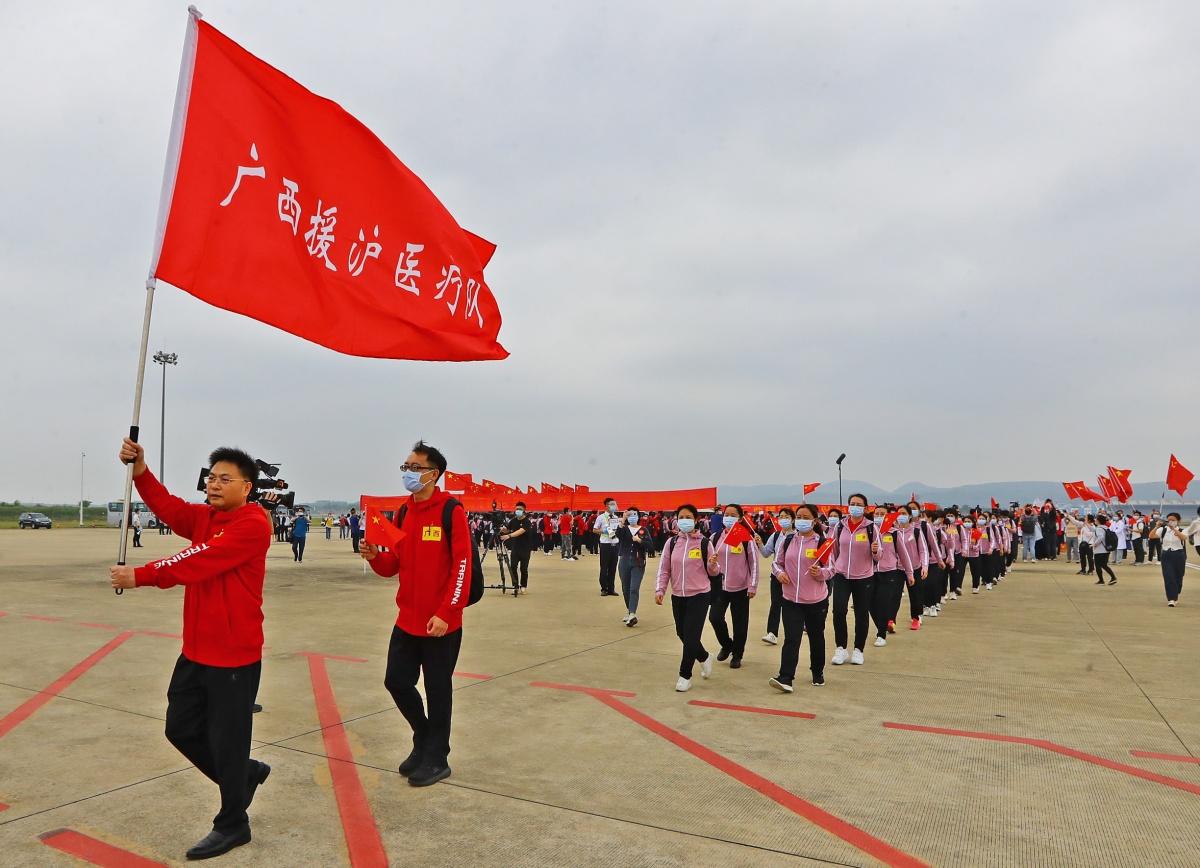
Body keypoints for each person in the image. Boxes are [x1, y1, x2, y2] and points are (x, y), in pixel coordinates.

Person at [109, 438, 273, 861]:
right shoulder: (205, 517)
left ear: (247, 486)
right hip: (196, 650)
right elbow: (168, 507)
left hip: (234, 655)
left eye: (225, 479)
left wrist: (141, 575)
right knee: (179, 728)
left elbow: (196, 560)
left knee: (228, 741)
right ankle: (244, 776)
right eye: (211, 478)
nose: (214, 485)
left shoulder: (252, 525)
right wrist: (141, 468)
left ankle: (233, 822)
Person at [360, 441, 470, 788]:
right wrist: (374, 556)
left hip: (441, 623)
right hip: (407, 619)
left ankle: (437, 757)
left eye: (415, 467)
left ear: (434, 474)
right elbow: (393, 564)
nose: (408, 473)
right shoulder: (404, 512)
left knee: (438, 691)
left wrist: (446, 612)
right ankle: (424, 737)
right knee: (396, 681)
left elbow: (462, 565)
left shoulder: (451, 511)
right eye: (405, 466)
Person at [654, 504, 720, 692]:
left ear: (696, 520)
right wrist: (660, 589)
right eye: (681, 516)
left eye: (688, 517)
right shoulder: (672, 543)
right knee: (682, 633)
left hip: (700, 594)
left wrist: (713, 564)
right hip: (678, 595)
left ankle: (685, 675)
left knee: (691, 636)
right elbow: (664, 568)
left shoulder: (704, 543)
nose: (684, 520)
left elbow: (714, 572)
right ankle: (704, 656)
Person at [769, 504, 832, 690]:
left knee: (816, 637)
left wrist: (819, 572)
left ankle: (817, 671)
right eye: (799, 517)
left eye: (806, 517)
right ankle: (786, 677)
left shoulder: (822, 542)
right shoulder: (788, 541)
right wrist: (779, 574)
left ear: (814, 521)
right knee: (791, 638)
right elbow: (776, 563)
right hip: (790, 600)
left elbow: (832, 569)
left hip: (815, 601)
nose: (801, 520)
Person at [829, 493, 879, 666]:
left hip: (864, 576)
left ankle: (859, 650)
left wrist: (874, 550)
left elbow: (879, 556)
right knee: (839, 611)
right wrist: (834, 568)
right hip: (842, 575)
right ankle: (841, 648)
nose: (855, 506)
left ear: (865, 508)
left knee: (861, 613)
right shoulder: (840, 526)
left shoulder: (871, 527)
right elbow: (834, 550)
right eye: (852, 503)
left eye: (859, 504)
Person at [708, 504, 760, 670]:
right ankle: (727, 644)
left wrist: (752, 585)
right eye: (726, 514)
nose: (728, 517)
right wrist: (711, 562)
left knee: (740, 624)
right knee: (715, 617)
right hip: (719, 586)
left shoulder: (746, 539)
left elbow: (754, 563)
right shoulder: (715, 538)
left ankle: (737, 654)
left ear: (739, 518)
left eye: (732, 515)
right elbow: (707, 560)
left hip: (741, 588)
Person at [870, 504, 914, 645]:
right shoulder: (868, 532)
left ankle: (881, 634)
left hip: (889, 573)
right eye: (876, 514)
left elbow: (904, 554)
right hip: (870, 572)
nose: (878, 516)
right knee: (871, 604)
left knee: (883, 603)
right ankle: (881, 626)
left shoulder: (894, 533)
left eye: (882, 514)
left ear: (888, 516)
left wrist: (909, 573)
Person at [759, 508, 796, 646]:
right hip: (777, 575)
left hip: (793, 576)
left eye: (786, 516)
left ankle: (795, 630)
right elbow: (766, 553)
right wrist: (759, 543)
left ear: (792, 519)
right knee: (776, 603)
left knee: (792, 606)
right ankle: (772, 633)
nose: (783, 519)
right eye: (781, 517)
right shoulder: (775, 536)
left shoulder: (798, 536)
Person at [614, 505, 653, 626]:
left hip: (638, 562)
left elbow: (650, 546)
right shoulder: (624, 528)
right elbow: (616, 535)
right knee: (625, 588)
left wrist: (640, 540)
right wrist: (622, 520)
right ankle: (629, 610)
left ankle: (632, 614)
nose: (632, 517)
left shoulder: (643, 530)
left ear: (639, 516)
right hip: (624, 561)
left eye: (634, 514)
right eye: (630, 515)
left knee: (634, 588)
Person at [1151, 513, 1189, 606]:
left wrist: (1173, 529)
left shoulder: (1182, 530)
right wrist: (1156, 527)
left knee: (1179, 576)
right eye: (1169, 520)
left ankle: (1176, 592)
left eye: (1173, 520)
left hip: (1179, 555)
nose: (1171, 522)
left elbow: (1183, 538)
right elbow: (1151, 536)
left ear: (1178, 521)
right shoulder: (1163, 530)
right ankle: (1171, 599)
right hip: (1166, 555)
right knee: (1168, 576)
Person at [500, 502, 534, 595]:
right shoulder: (513, 520)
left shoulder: (527, 521)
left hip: (525, 549)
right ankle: (515, 586)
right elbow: (507, 529)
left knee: (524, 569)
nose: (517, 511)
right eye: (516, 509)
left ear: (524, 511)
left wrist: (509, 535)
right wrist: (503, 529)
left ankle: (523, 586)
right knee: (513, 567)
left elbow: (520, 531)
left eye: (519, 509)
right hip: (515, 548)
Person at [594, 498, 621, 597]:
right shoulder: (601, 517)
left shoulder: (616, 517)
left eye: (614, 504)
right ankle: (604, 589)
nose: (614, 505)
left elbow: (617, 530)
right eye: (611, 504)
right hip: (605, 544)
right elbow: (594, 530)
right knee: (604, 567)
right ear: (606, 506)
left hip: (615, 544)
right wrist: (604, 531)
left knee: (613, 567)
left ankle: (611, 589)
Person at [1092, 514, 1117, 585]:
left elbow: (1101, 537)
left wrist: (1094, 544)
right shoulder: (1106, 528)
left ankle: (1101, 580)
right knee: (1104, 565)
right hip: (1106, 549)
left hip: (1099, 550)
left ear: (1099, 521)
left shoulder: (1099, 529)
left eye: (1096, 519)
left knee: (1097, 565)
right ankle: (1113, 577)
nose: (1095, 520)